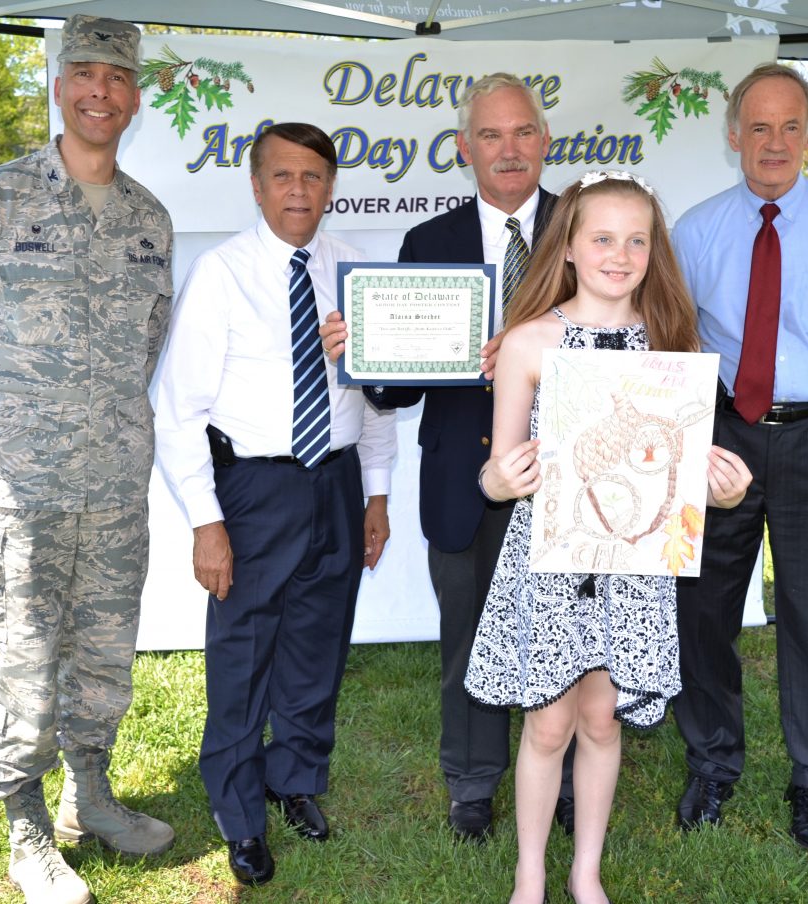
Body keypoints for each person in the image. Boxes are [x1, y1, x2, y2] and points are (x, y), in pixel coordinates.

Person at [0, 15, 175, 904]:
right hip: (11, 491)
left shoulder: (148, 219)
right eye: (86, 73)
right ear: (60, 85)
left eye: (119, 77)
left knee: (102, 655)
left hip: (111, 488)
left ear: (137, 97)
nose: (102, 90)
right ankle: (26, 830)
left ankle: (88, 797)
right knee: (18, 658)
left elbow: (149, 341)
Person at [465, 170, 752, 904]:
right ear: (567, 247)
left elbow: (680, 476)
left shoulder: (672, 345)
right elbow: (496, 473)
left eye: (636, 240)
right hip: (551, 563)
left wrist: (727, 487)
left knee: (601, 715)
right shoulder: (530, 343)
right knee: (549, 721)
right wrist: (503, 481)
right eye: (601, 238)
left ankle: (583, 871)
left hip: (633, 566)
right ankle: (530, 875)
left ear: (654, 251)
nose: (618, 255)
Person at [321, 72, 576, 842]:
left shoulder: (588, 227)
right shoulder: (428, 242)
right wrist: (360, 356)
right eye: (490, 136)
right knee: (467, 632)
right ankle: (472, 783)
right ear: (464, 148)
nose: (508, 150)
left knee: (564, 630)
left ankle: (560, 772)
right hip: (462, 480)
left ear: (544, 140)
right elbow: (398, 392)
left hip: (573, 477)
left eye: (522, 132)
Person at [153, 122, 395, 888]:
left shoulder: (353, 268)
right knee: (245, 650)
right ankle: (238, 809)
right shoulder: (222, 274)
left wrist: (377, 491)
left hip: (337, 478)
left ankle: (294, 778)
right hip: (255, 489)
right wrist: (206, 520)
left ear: (331, 186)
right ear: (257, 186)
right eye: (283, 176)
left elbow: (379, 396)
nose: (299, 190)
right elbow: (177, 408)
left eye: (313, 176)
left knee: (318, 641)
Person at [670, 63, 808, 853]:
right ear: (733, 134)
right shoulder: (695, 231)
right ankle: (712, 762)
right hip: (721, 435)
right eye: (758, 127)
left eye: (790, 126)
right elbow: (674, 341)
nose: (774, 143)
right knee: (701, 610)